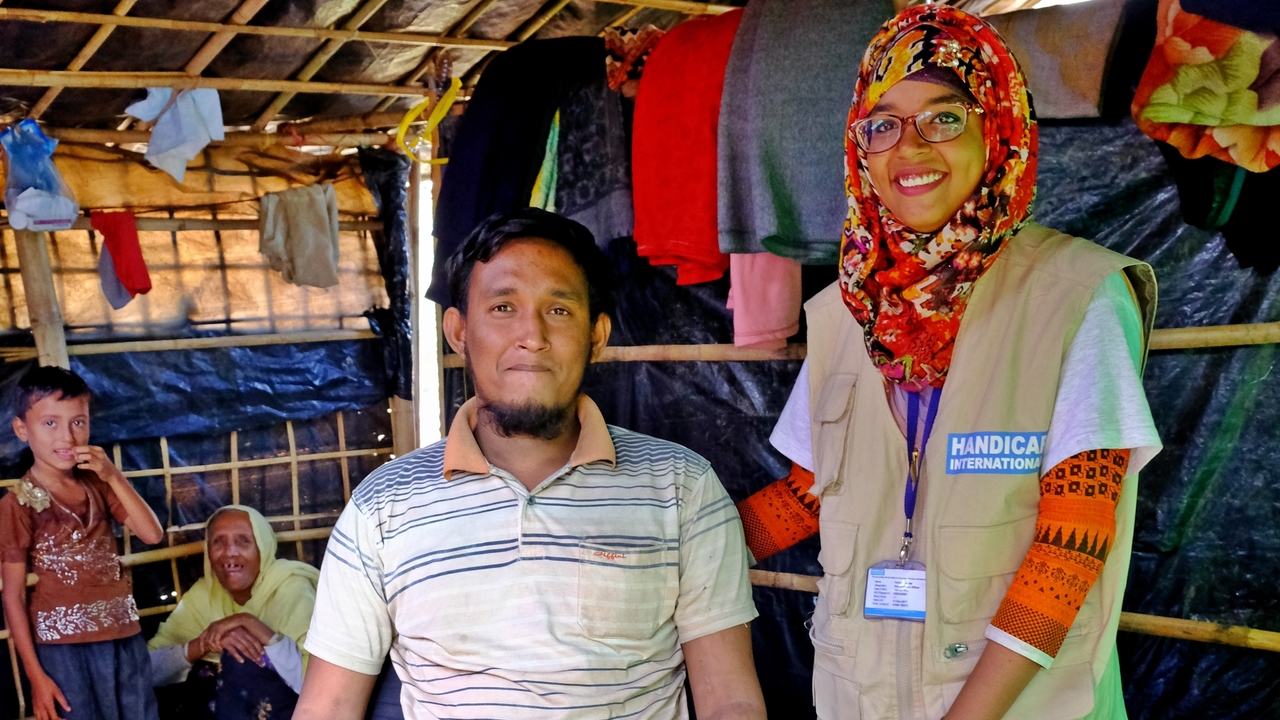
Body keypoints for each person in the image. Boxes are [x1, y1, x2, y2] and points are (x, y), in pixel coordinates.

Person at [734, 6, 1161, 719]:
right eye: (884, 122)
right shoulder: (846, 313)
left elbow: (1072, 545)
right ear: (858, 146)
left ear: (997, 122)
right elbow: (809, 494)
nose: (910, 146)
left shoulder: (1077, 295)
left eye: (943, 116)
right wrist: (667, 538)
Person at [294, 208, 765, 719]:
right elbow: (330, 706)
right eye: (502, 307)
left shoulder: (682, 488)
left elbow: (730, 701)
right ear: (458, 331)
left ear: (597, 336)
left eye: (559, 310)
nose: (532, 335)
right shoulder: (381, 508)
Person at [0, 366, 165, 720]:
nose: (67, 437)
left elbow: (152, 534)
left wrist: (112, 475)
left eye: (78, 422)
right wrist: (35, 674)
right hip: (62, 648)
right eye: (50, 423)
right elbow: (12, 594)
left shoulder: (100, 484)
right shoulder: (17, 504)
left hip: (123, 633)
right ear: (21, 429)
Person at [148, 505, 319, 720]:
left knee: (238, 662)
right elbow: (145, 674)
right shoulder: (205, 594)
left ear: (263, 549)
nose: (230, 552)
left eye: (243, 541)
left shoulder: (292, 590)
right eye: (218, 541)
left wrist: (250, 624)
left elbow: (319, 686)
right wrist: (203, 644)